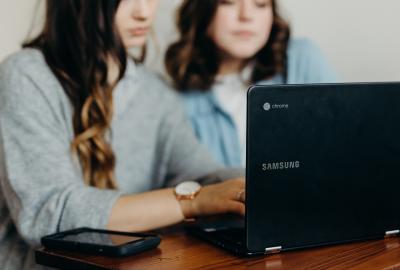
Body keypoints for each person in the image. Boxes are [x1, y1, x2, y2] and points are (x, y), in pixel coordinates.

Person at [0, 1, 245, 268]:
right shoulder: (25, 75)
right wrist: (192, 202)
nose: (144, 12)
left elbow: (204, 174)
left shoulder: (155, 91)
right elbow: (48, 213)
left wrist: (258, 182)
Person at [165, 0, 337, 167]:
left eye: (261, 4)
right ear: (201, 8)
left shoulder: (301, 59)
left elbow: (341, 148)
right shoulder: (173, 99)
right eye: (229, 2)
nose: (246, 16)